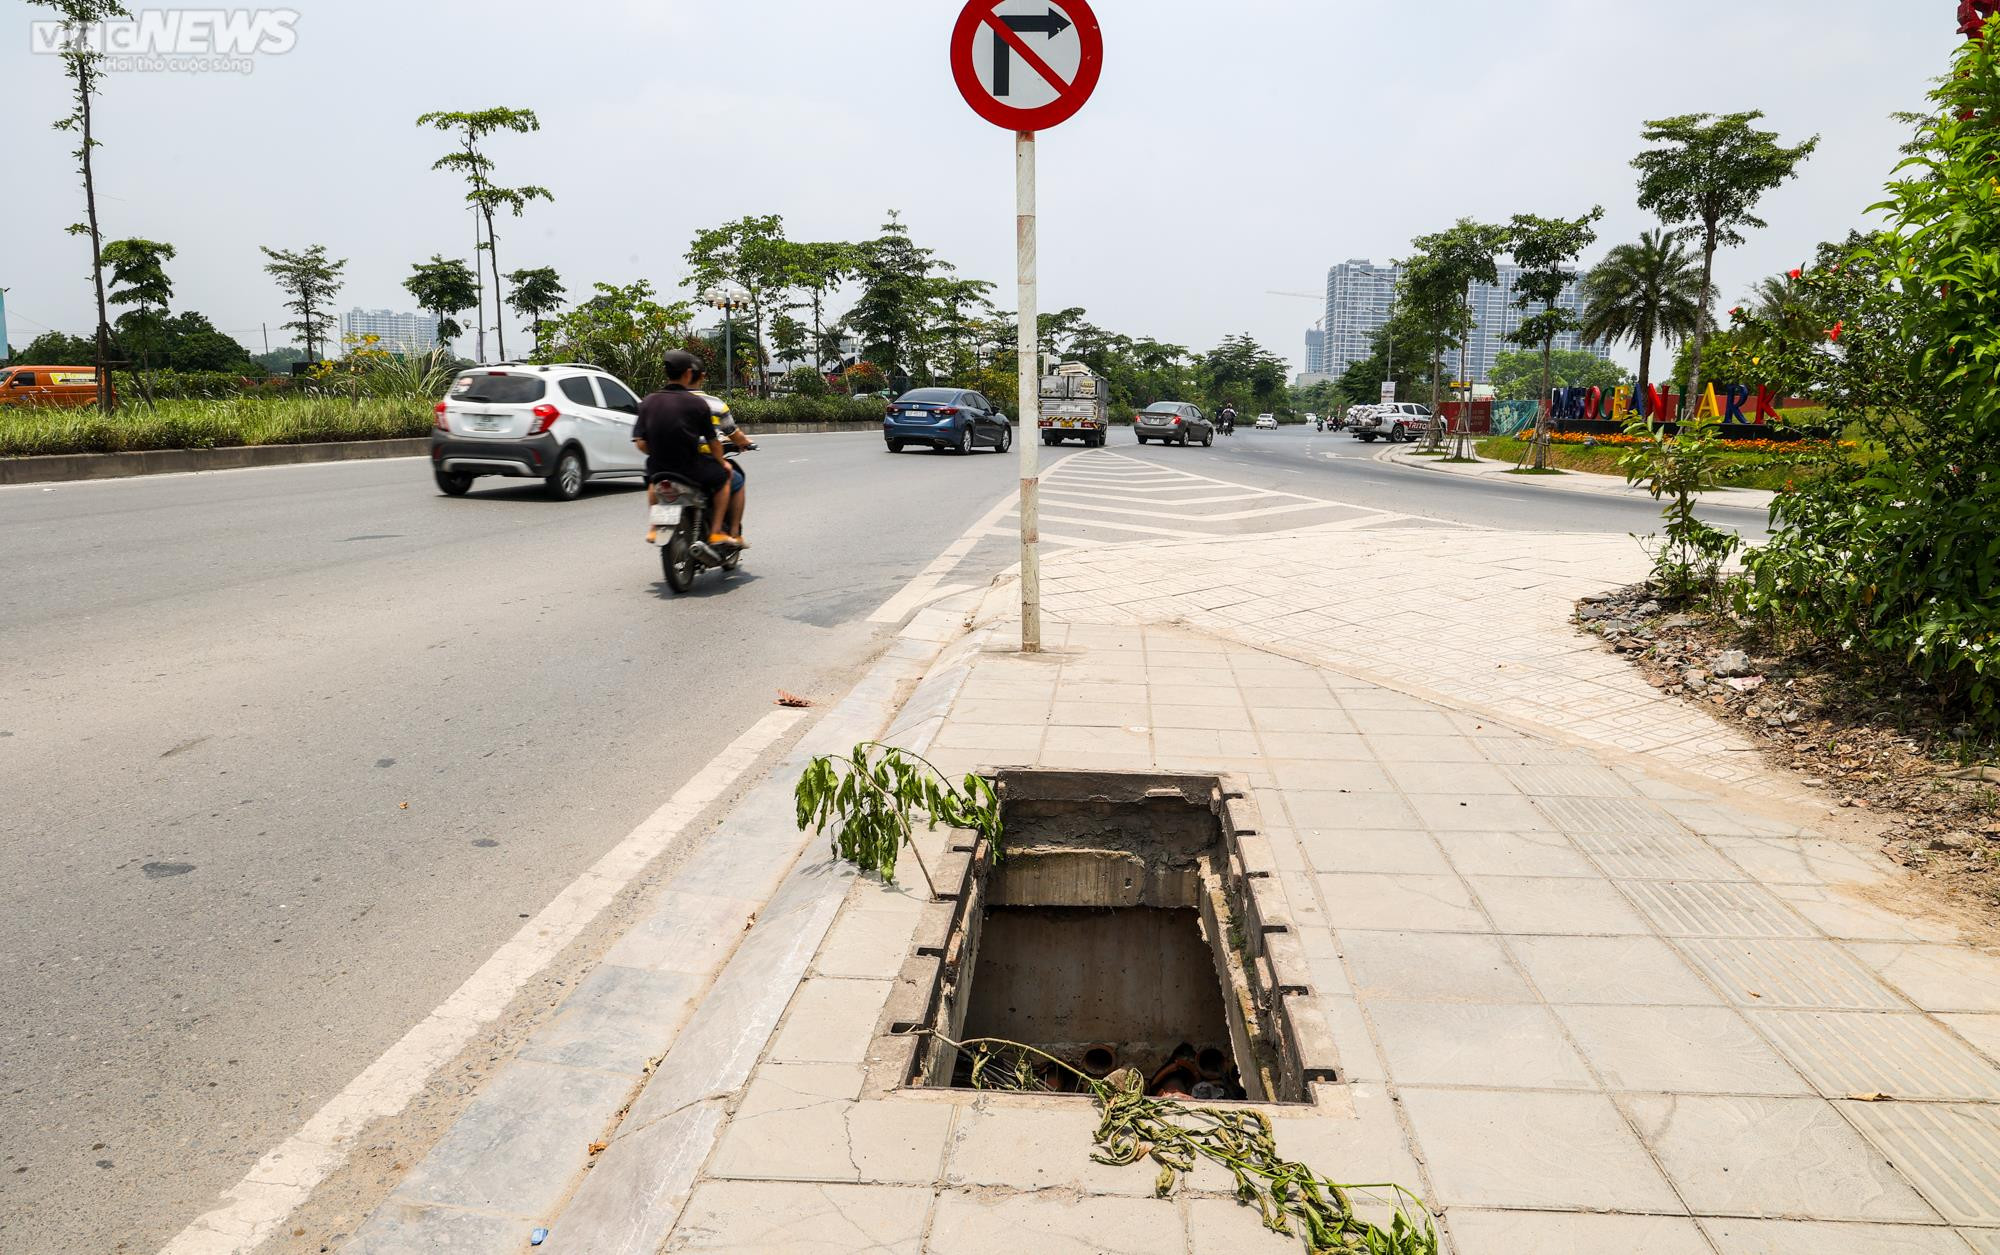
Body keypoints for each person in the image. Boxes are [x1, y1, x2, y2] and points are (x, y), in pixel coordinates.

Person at [633, 350, 737, 547]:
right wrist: (722, 462)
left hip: (658, 468)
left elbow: (640, 442)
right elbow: (713, 442)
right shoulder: (697, 403)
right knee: (725, 477)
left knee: (653, 482)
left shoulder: (647, 402)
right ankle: (715, 532)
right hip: (690, 468)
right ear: (688, 374)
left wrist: (659, 452)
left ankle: (655, 527)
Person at [689, 365, 752, 545]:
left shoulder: (663, 401)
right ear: (701, 376)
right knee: (735, 479)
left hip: (670, 462)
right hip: (702, 461)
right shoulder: (712, 403)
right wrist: (745, 443)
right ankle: (732, 533)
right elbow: (730, 433)